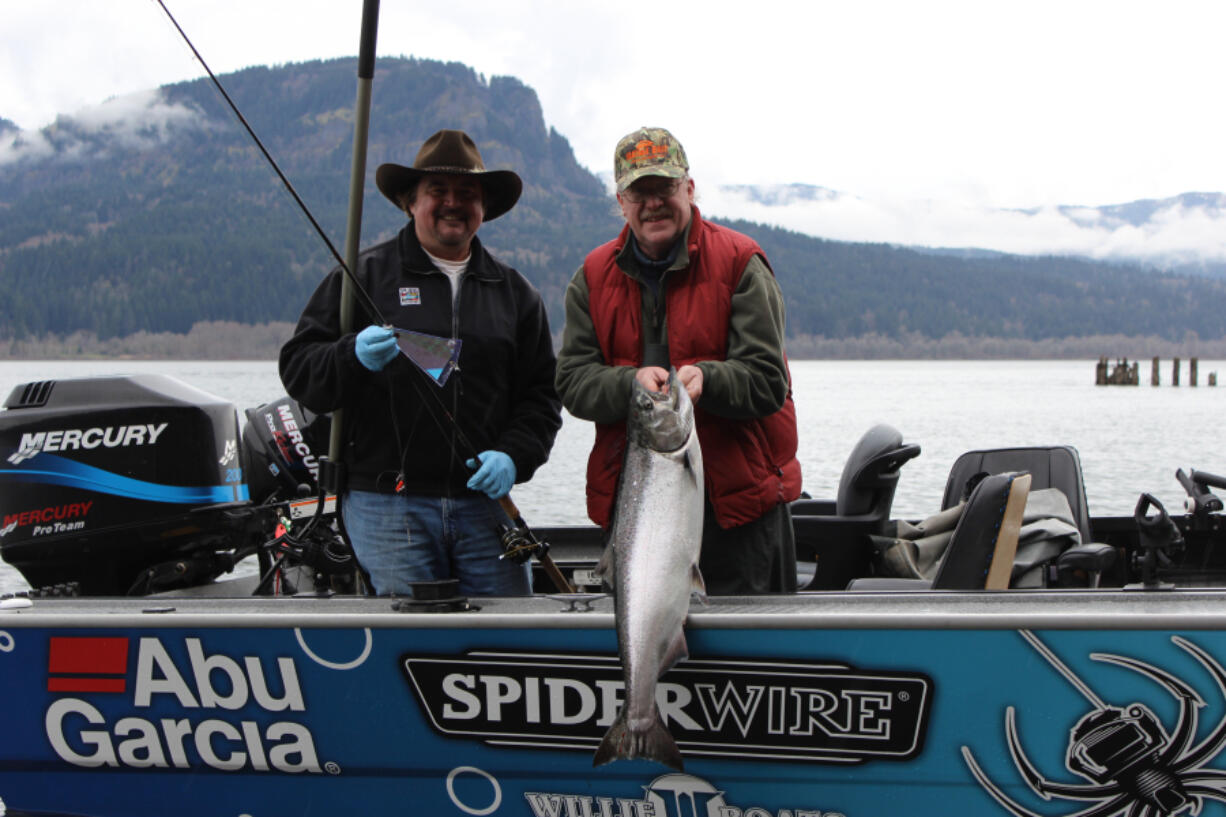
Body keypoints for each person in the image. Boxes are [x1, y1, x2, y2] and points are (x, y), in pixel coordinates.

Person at [280, 129, 562, 597]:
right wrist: (350, 355)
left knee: (506, 638)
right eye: (438, 192)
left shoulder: (517, 294)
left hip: (486, 507)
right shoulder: (363, 276)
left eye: (467, 194)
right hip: (386, 507)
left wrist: (513, 456)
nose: (453, 203)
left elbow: (541, 399)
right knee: (411, 643)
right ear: (411, 202)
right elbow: (299, 368)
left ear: (483, 209)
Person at [555, 127, 802, 595]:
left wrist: (708, 379)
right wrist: (629, 384)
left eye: (664, 188)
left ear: (688, 188)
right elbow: (571, 382)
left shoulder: (740, 262)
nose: (653, 203)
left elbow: (769, 383)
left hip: (740, 515)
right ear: (620, 200)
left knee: (753, 663)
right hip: (635, 510)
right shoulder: (590, 277)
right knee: (648, 650)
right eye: (638, 192)